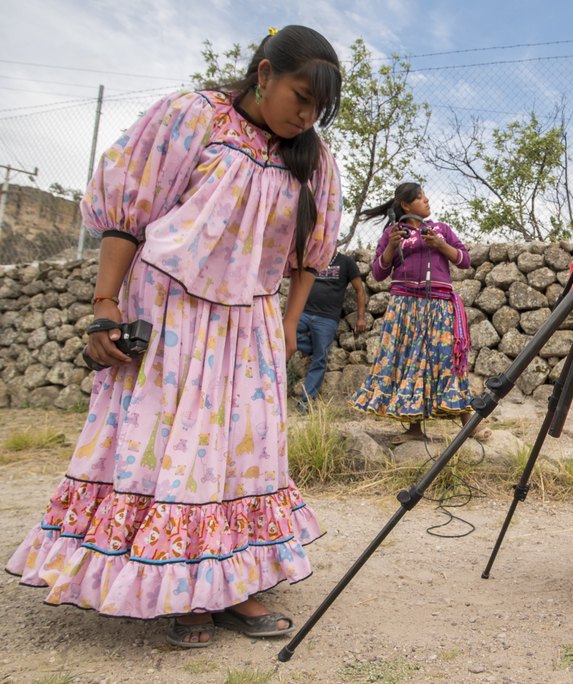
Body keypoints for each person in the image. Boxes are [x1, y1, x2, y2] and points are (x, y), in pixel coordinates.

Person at [5, 25, 344, 648]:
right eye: (300, 95)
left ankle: (234, 585)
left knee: (245, 449)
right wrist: (105, 305)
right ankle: (180, 589)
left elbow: (308, 257)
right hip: (169, 311)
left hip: (250, 320)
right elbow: (128, 212)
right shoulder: (192, 117)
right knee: (171, 445)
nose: (307, 114)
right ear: (264, 73)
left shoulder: (313, 160)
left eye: (319, 107)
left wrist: (288, 325)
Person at [350, 182, 490, 445]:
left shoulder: (441, 230)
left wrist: (440, 245)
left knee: (447, 360)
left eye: (426, 197)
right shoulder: (393, 233)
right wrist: (391, 246)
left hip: (438, 304)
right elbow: (379, 274)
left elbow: (464, 260)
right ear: (406, 205)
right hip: (405, 305)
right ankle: (414, 429)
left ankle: (469, 422)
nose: (427, 201)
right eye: (421, 198)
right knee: (410, 362)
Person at [295, 250, 367, 413]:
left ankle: (306, 402)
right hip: (304, 313)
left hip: (326, 318)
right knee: (286, 334)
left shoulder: (346, 262)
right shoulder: (312, 258)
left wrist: (361, 317)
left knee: (320, 359)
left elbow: (359, 290)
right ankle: (314, 347)